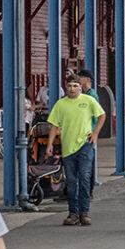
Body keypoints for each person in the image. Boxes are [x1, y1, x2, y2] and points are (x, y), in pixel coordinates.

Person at [46, 74, 106, 226]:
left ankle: (84, 213)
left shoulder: (88, 101)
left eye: (75, 86)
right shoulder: (60, 104)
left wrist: (96, 133)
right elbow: (53, 125)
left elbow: (102, 115)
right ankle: (73, 213)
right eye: (69, 86)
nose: (72, 89)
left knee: (84, 177)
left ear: (80, 87)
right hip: (68, 148)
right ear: (65, 88)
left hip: (85, 145)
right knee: (71, 182)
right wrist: (49, 145)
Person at [76, 69, 102, 188]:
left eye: (80, 77)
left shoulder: (92, 96)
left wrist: (94, 132)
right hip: (80, 134)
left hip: (89, 133)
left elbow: (98, 115)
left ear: (87, 79)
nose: (79, 80)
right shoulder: (83, 95)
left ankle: (89, 190)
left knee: (87, 164)